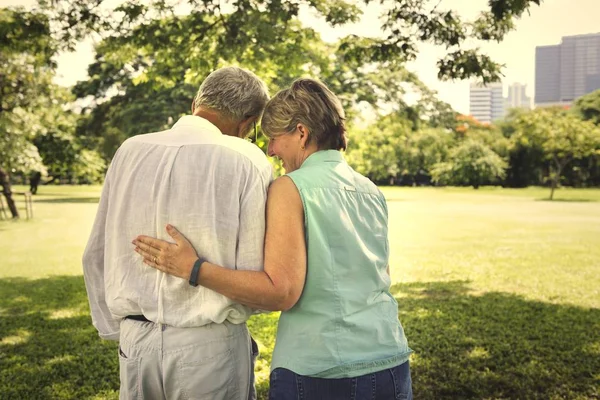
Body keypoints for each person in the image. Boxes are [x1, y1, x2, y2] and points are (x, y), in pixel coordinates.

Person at [133, 78, 413, 399]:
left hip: (322, 368)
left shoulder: (289, 187)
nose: (269, 150)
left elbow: (280, 293)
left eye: (274, 138)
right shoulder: (369, 189)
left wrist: (193, 268)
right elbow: (381, 276)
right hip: (390, 361)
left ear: (302, 133)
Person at [82, 66, 272, 400]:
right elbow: (254, 273)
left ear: (198, 101)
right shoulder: (247, 159)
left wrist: (120, 330)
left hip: (134, 339)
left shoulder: (129, 150)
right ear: (247, 123)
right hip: (208, 344)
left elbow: (94, 254)